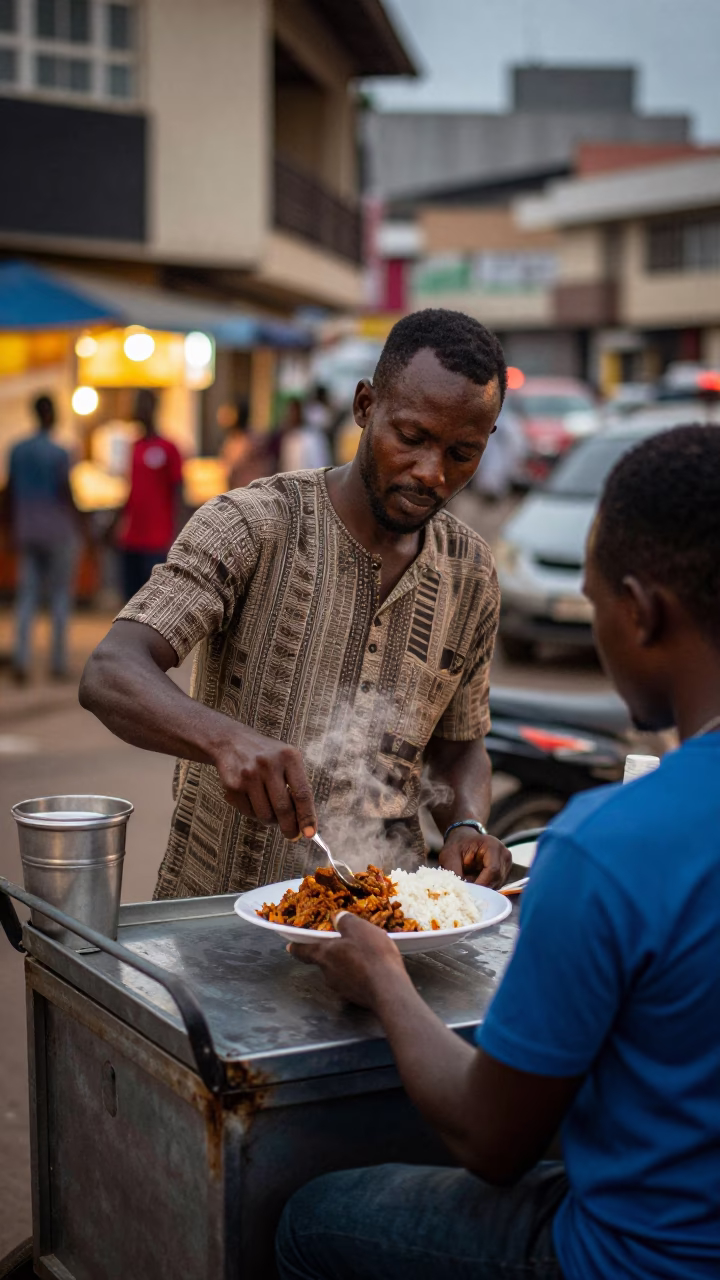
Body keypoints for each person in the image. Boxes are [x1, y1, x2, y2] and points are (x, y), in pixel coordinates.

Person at [276, 423, 720, 1280]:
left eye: (593, 605)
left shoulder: (611, 844)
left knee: (308, 1221)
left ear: (642, 608)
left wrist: (381, 977)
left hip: (633, 1260)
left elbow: (491, 1140)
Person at [80, 309, 512, 898]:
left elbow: (461, 744)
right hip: (216, 917)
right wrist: (224, 739)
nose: (431, 473)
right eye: (410, 438)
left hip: (386, 921)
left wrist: (466, 822)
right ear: (365, 407)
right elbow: (111, 670)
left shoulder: (472, 573)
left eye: (462, 453)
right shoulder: (253, 525)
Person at [4, 394, 80, 682]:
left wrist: (10, 530)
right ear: (53, 415)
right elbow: (67, 493)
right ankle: (57, 662)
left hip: (27, 530)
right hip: (58, 531)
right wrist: (82, 527)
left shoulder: (17, 450)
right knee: (60, 596)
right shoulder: (60, 453)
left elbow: (8, 493)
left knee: (27, 597)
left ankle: (22, 658)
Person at [115, 389, 183, 602]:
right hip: (133, 537)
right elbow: (132, 490)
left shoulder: (169, 448)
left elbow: (178, 490)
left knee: (155, 601)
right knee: (130, 600)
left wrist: (179, 531)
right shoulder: (134, 447)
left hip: (158, 537)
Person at [278, 395, 332, 473]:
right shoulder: (287, 438)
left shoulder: (312, 438)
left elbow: (319, 465)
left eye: (293, 412)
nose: (289, 416)